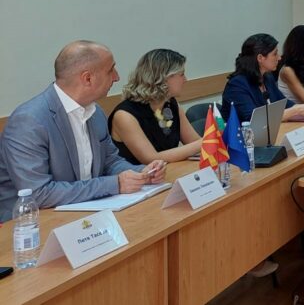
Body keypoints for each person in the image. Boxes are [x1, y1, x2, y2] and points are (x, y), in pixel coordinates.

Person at [0, 41, 166, 221]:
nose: (117, 77)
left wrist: (142, 173)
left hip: (83, 213)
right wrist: (115, 184)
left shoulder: (95, 112)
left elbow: (110, 162)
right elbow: (39, 194)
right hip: (29, 224)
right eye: (111, 70)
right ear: (87, 78)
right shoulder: (29, 121)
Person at [109, 49, 202, 165]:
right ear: (163, 78)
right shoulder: (125, 115)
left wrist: (205, 143)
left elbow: (194, 142)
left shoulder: (171, 105)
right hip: (138, 175)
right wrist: (205, 142)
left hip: (169, 172)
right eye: (182, 74)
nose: (185, 80)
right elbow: (151, 159)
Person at [222, 34, 304, 123]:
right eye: (275, 54)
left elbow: (285, 104)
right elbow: (253, 120)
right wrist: (296, 110)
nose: (279, 58)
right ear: (260, 58)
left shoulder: (267, 77)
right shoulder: (237, 85)